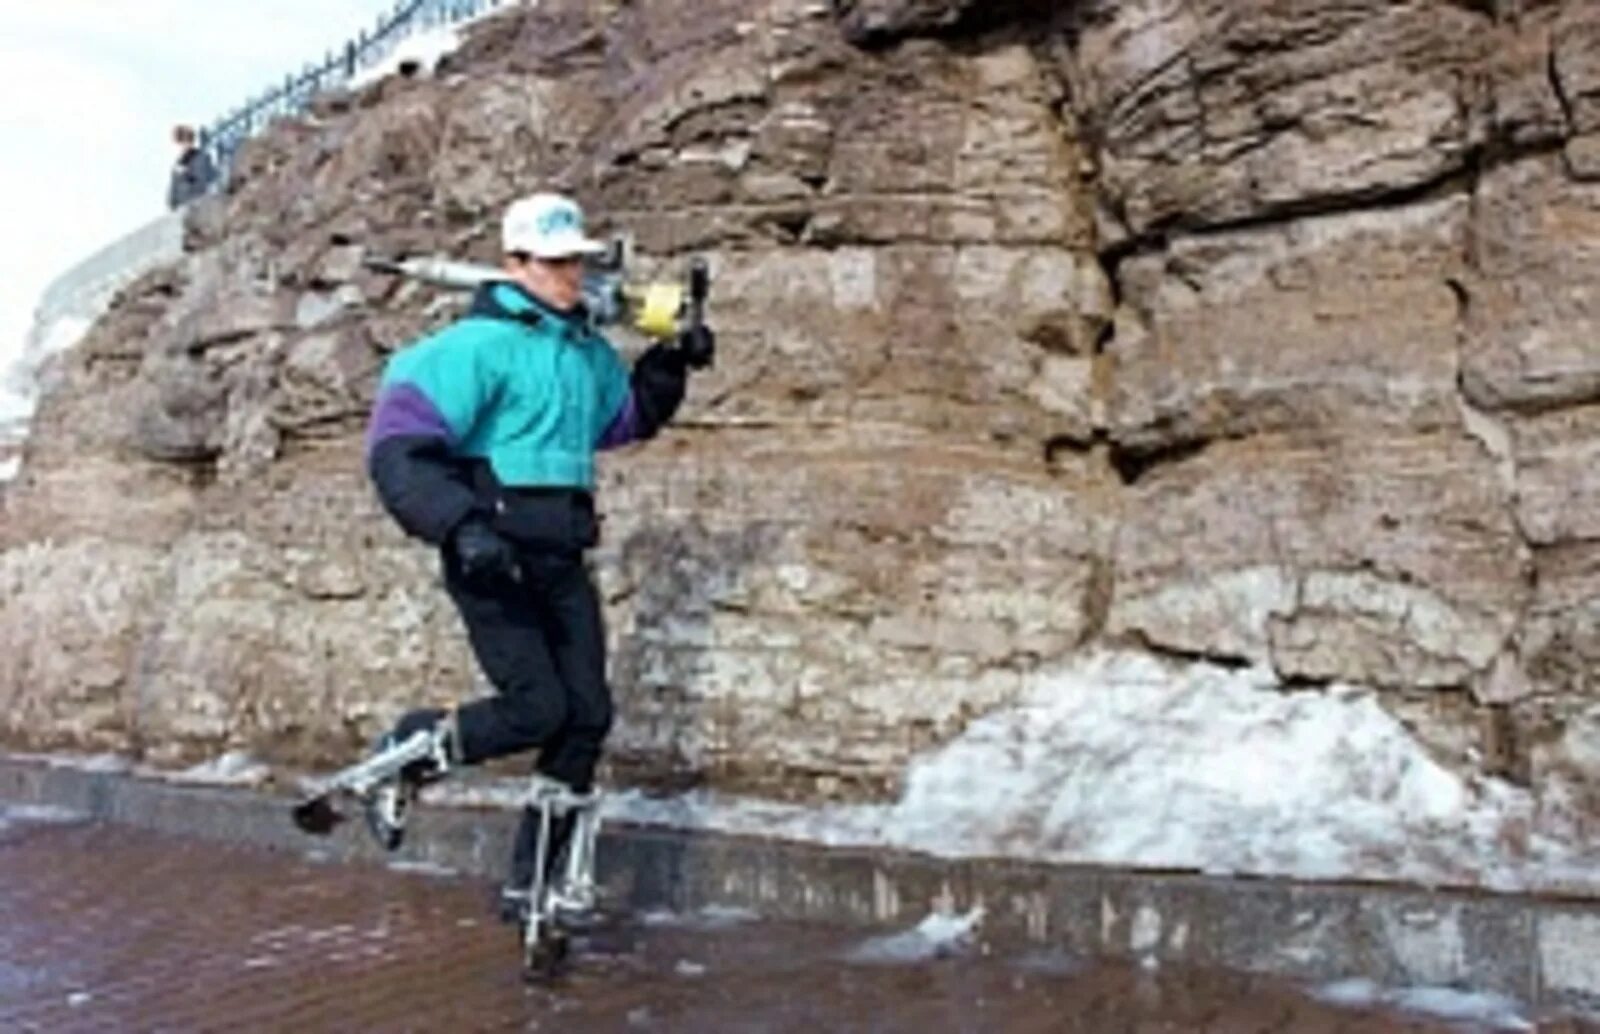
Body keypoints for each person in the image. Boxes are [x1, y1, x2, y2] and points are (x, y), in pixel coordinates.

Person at [362, 192, 714, 917]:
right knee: (537, 707)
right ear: (513, 264)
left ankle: (536, 885)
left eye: (576, 264)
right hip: (490, 553)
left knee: (585, 717)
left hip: (559, 554)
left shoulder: (583, 352)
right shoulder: (465, 350)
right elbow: (397, 452)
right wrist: (459, 526)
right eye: (553, 264)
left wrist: (671, 358)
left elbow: (625, 419)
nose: (569, 278)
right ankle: (408, 751)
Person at [167, 125, 217, 209]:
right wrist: (172, 204)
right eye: (180, 141)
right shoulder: (178, 164)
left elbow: (205, 182)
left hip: (198, 203)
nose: (183, 145)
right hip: (181, 208)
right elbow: (173, 191)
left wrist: (188, 178)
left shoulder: (201, 157)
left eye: (184, 140)